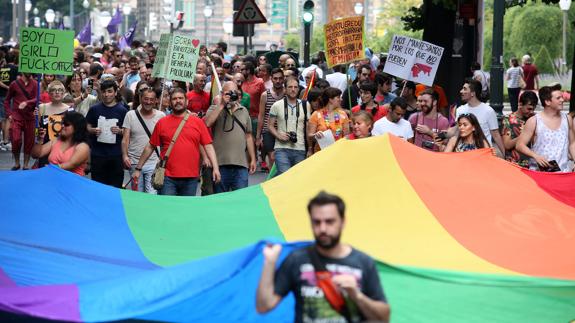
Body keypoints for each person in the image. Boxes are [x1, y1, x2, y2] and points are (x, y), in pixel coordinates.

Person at [256, 191, 390, 323]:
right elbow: (264, 306)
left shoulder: (363, 262)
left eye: (329, 221)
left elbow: (384, 317)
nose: (323, 228)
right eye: (316, 222)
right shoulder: (296, 259)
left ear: (342, 222)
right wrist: (269, 263)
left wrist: (356, 295)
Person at [132, 88, 220, 196]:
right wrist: (138, 169)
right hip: (167, 177)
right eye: (174, 99)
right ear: (170, 102)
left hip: (191, 177)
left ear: (186, 101)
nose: (177, 101)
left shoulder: (198, 122)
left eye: (180, 98)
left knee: (186, 210)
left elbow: (208, 145)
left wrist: (215, 168)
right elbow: (150, 147)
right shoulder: (162, 122)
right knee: (168, 210)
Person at [204, 81, 256, 192]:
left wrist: (253, 158)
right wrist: (222, 104)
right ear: (222, 94)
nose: (232, 95)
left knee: (240, 200)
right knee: (220, 200)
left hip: (241, 164)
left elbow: (248, 136)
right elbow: (207, 124)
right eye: (229, 93)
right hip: (220, 164)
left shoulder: (244, 110)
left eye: (234, 93)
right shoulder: (215, 108)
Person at [516, 84, 575, 172]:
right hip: (540, 174)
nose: (563, 100)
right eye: (558, 98)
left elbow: (572, 143)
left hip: (563, 172)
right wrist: (536, 156)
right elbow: (519, 145)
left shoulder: (567, 119)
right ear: (547, 102)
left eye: (562, 97)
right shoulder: (534, 121)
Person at [86, 79, 129, 187]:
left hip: (116, 155)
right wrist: (92, 130)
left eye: (109, 91)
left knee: (115, 186)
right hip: (98, 154)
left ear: (115, 93)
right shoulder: (94, 109)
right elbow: (86, 125)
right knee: (98, 186)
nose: (106, 94)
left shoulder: (123, 110)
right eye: (104, 91)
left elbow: (128, 132)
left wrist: (120, 131)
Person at [122, 88, 165, 193]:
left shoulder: (161, 116)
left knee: (152, 194)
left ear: (156, 101)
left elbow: (164, 140)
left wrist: (162, 158)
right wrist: (125, 155)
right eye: (146, 99)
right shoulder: (130, 115)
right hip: (134, 161)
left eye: (151, 99)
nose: (148, 102)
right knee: (137, 194)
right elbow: (125, 138)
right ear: (141, 98)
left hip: (154, 162)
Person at [268, 77, 311, 176]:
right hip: (281, 148)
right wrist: (279, 136)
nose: (293, 89)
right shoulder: (276, 105)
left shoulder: (305, 105)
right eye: (290, 87)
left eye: (295, 87)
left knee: (298, 178)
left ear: (298, 89)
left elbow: (307, 128)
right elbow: (270, 126)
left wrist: (310, 148)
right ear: (285, 89)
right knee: (284, 176)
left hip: (300, 148)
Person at [454, 79, 505, 155]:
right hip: (464, 153)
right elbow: (457, 131)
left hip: (484, 153)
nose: (461, 91)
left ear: (472, 93)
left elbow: (495, 134)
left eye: (464, 89)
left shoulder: (488, 111)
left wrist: (504, 155)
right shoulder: (459, 110)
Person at [31, 111, 90, 176]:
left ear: (77, 128)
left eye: (66, 124)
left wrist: (50, 168)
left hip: (72, 182)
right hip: (53, 178)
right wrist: (39, 141)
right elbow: (35, 155)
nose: (62, 126)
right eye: (62, 123)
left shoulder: (83, 146)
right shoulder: (56, 141)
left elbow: (71, 164)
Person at [4, 73, 38, 170]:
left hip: (30, 117)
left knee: (29, 141)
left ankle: (26, 164)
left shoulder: (35, 84)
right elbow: (7, 100)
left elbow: (37, 98)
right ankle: (17, 163)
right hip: (16, 116)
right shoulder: (14, 84)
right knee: (15, 139)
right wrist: (9, 114)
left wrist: (27, 102)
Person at [38, 80, 75, 167]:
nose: (57, 92)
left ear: (63, 93)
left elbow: (74, 131)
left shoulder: (70, 110)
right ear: (49, 93)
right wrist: (38, 132)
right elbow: (35, 129)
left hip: (64, 149)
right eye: (54, 90)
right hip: (46, 148)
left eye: (60, 90)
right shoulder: (41, 108)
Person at [257, 68, 285, 171]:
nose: (278, 81)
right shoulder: (265, 95)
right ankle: (272, 179)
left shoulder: (287, 94)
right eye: (275, 78)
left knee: (282, 156)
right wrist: (258, 136)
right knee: (272, 156)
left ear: (283, 79)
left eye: (280, 78)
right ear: (271, 79)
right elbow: (261, 115)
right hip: (268, 130)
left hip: (283, 129)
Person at [501, 91, 537, 168]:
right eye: (529, 109)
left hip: (531, 164)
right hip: (514, 165)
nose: (531, 112)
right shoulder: (508, 119)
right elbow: (507, 145)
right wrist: (524, 136)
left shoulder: (534, 118)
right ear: (520, 104)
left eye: (533, 109)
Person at [308, 87, 351, 152]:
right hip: (320, 153)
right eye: (338, 97)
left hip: (338, 152)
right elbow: (310, 136)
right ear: (330, 99)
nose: (341, 99)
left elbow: (346, 136)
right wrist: (315, 135)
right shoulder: (316, 114)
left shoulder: (343, 115)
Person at [241, 61, 266, 129]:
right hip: (242, 116)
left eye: (242, 70)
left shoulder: (260, 82)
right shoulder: (241, 82)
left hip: (255, 118)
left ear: (248, 71)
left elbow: (264, 100)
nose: (240, 71)